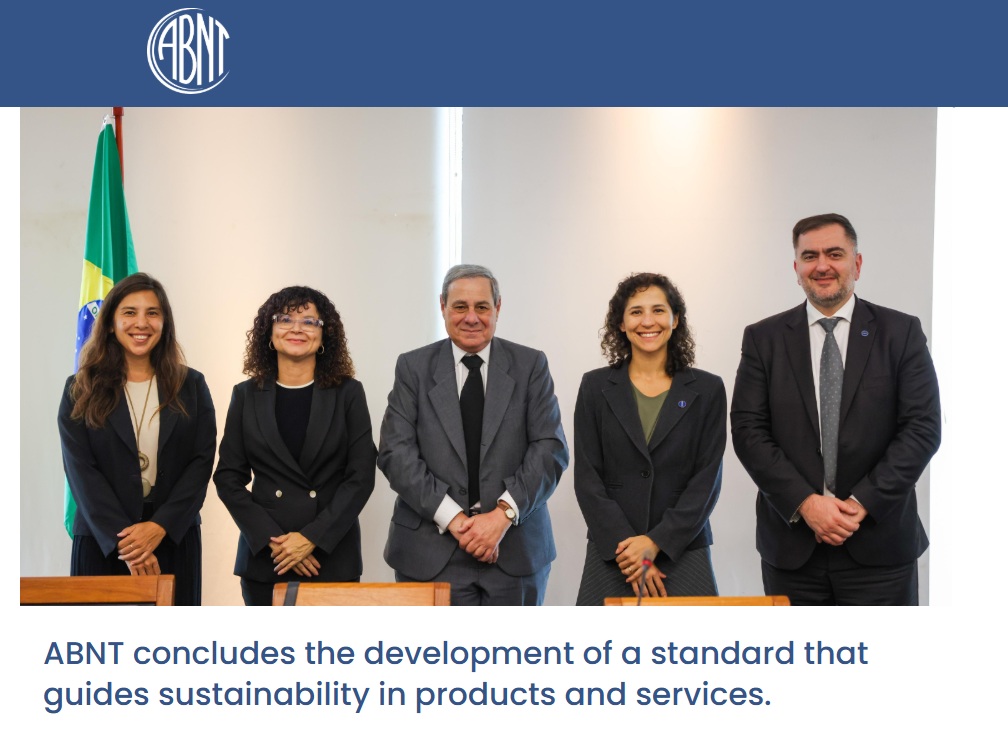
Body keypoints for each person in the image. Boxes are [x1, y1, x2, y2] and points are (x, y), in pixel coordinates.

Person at [730, 213, 941, 605]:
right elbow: (748, 430)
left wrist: (861, 504)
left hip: (880, 546)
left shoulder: (901, 333)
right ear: (796, 268)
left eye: (835, 253)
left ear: (856, 264)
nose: (822, 265)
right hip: (793, 550)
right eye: (810, 256)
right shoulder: (763, 338)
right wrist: (806, 504)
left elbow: (922, 427)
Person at [378, 264, 569, 605]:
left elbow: (549, 449)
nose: (471, 318)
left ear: (498, 308)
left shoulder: (531, 366)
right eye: (460, 306)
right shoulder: (412, 368)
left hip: (515, 552)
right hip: (429, 554)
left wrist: (501, 516)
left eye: (482, 306)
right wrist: (454, 520)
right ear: (442, 306)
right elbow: (396, 453)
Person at [58, 272, 216, 606]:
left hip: (172, 538)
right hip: (103, 542)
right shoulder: (80, 388)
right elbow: (81, 472)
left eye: (152, 313)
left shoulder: (191, 385)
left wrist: (160, 526)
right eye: (129, 312)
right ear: (110, 322)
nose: (141, 323)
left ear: (164, 323)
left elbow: (201, 462)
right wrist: (127, 544)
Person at [214, 286, 376, 606]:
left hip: (330, 557)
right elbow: (228, 477)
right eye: (285, 319)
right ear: (269, 332)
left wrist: (312, 538)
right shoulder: (245, 395)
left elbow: (361, 477)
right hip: (268, 559)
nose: (297, 328)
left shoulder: (348, 393)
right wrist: (274, 541)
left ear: (324, 334)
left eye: (309, 321)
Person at [573, 273, 725, 604]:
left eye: (658, 310)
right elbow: (587, 478)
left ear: (675, 319)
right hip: (615, 553)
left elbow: (707, 480)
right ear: (621, 323)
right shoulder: (595, 387)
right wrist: (630, 551)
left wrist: (656, 543)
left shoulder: (708, 389)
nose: (647, 321)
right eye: (636, 312)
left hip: (683, 550)